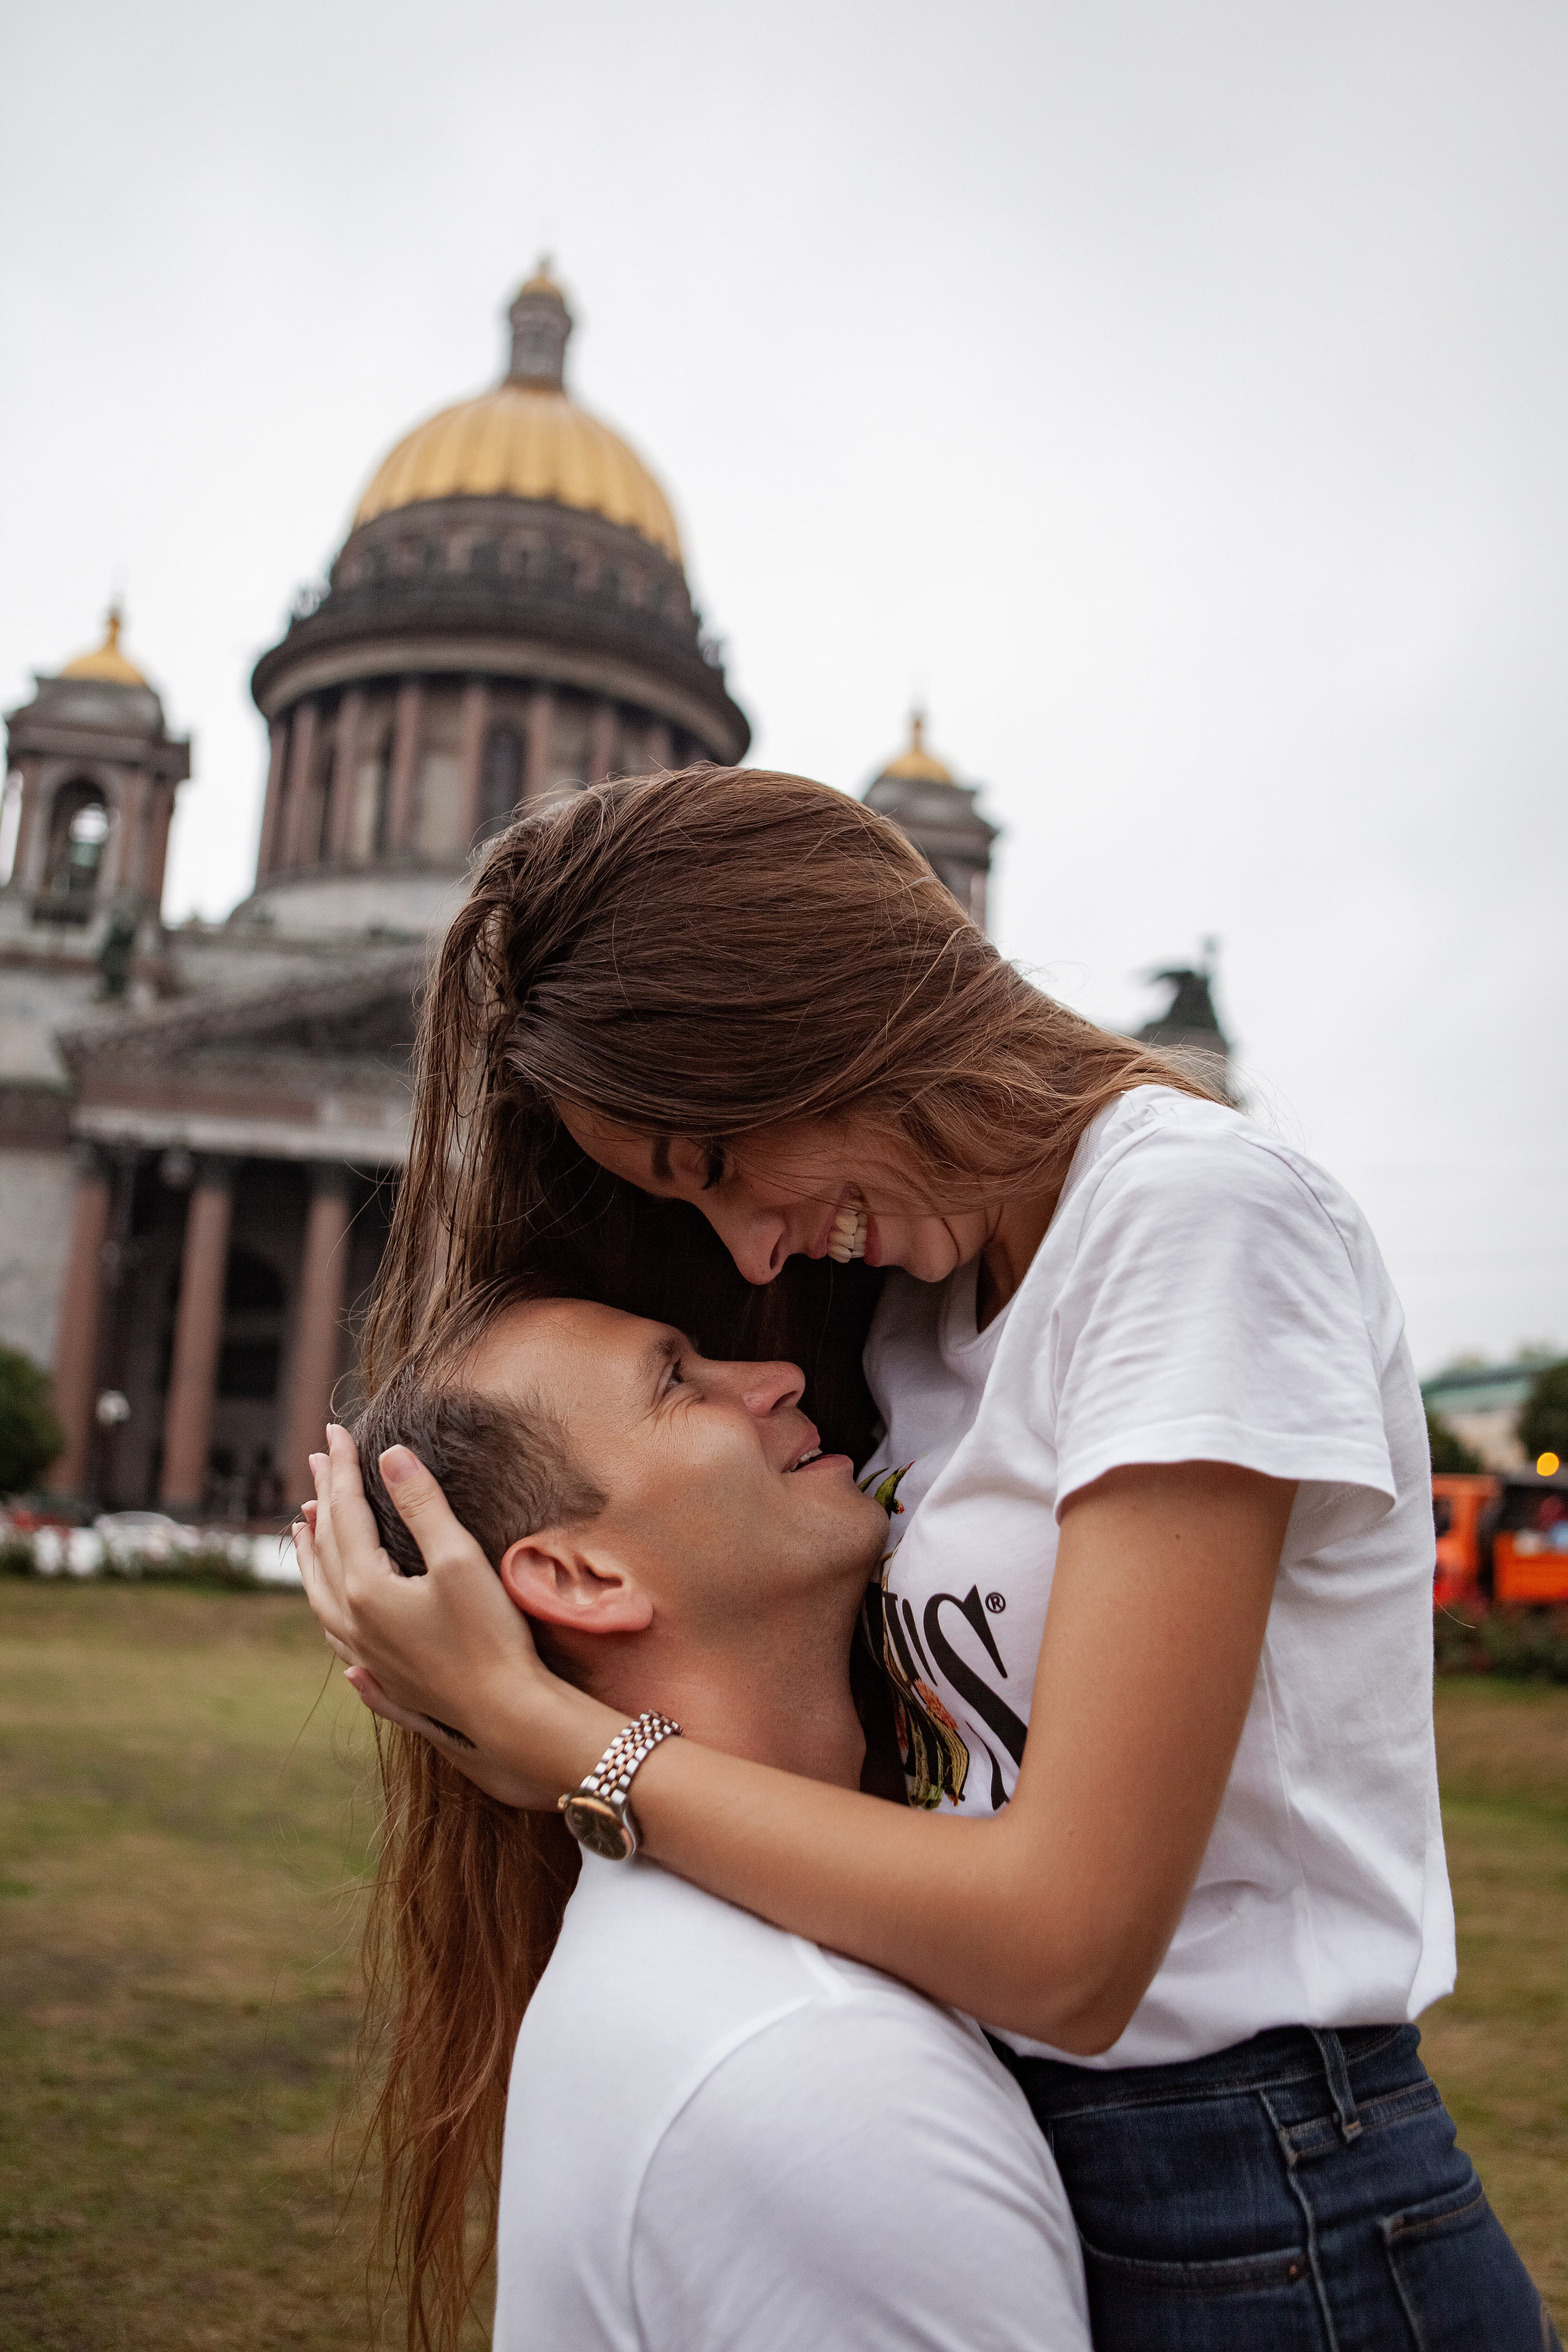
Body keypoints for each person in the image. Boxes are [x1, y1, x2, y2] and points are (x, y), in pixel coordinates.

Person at [304, 767, 1558, 2351]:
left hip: (1270, 2207)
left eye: (710, 1164)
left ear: (810, 1013)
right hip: (1031, 2141)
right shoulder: (920, 1313)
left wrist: (562, 1738)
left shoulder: (1190, 1221)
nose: (753, 1255)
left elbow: (1073, 1944)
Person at [322, 1277, 1091, 2352]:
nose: (779, 1378)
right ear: (582, 1576)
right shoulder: (822, 2073)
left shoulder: (672, 1959)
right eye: (680, 1383)